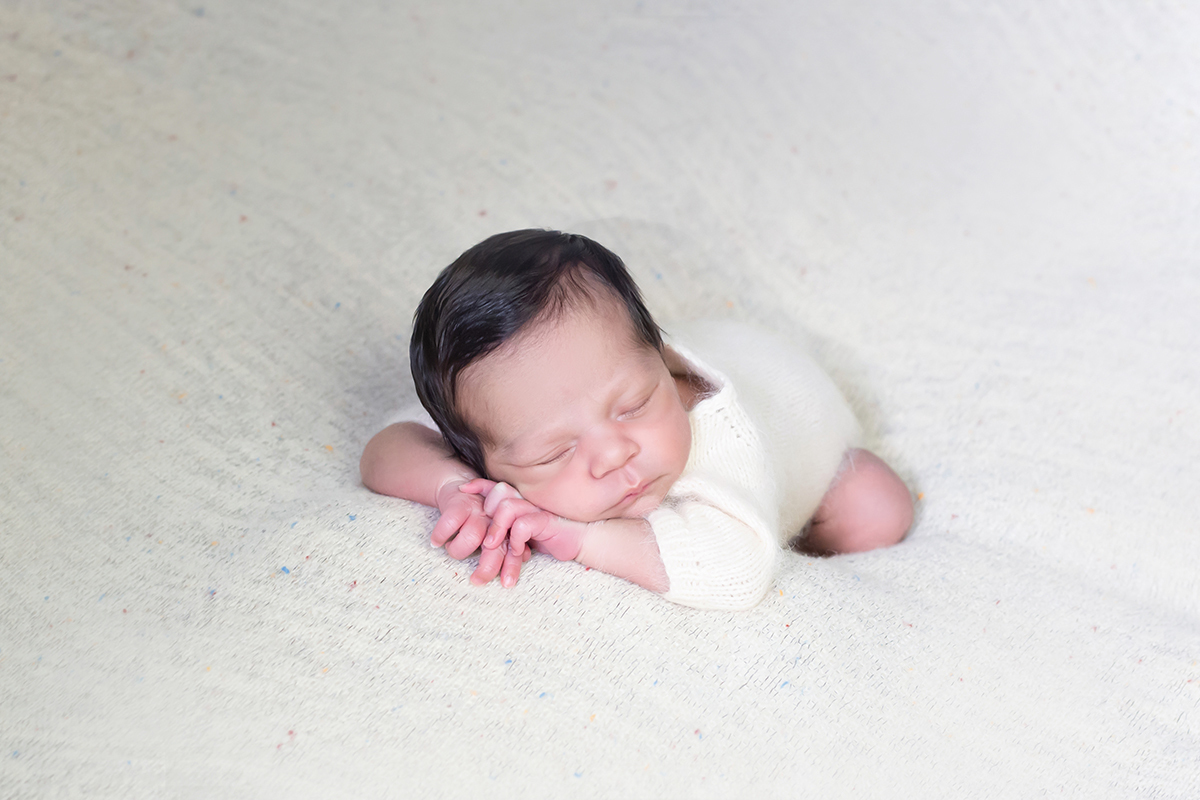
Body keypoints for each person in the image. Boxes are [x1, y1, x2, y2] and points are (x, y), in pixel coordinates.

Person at [360, 229, 912, 610]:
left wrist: (577, 537)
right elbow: (387, 448)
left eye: (634, 406)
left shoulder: (720, 435)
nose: (614, 452)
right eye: (555, 452)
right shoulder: (511, 404)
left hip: (803, 414)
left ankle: (816, 508)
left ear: (663, 364)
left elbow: (739, 570)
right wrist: (455, 488)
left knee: (877, 510)